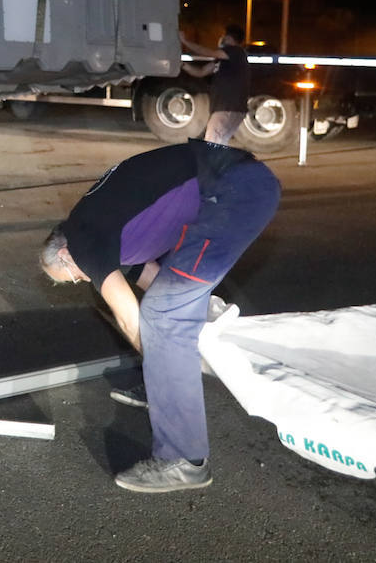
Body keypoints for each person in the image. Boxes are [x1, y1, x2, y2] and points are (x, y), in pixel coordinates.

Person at [38, 138, 280, 493]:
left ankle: (184, 461)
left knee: (162, 319)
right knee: (169, 307)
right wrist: (163, 364)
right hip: (238, 185)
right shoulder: (106, 231)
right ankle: (165, 387)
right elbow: (156, 281)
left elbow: (129, 317)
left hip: (232, 191)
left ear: (64, 255)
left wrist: (157, 354)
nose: (82, 279)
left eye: (73, 277)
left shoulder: (82, 239)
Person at [180, 24, 251, 145]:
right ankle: (221, 164)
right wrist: (182, 65)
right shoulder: (224, 59)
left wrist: (184, 41)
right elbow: (201, 72)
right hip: (229, 109)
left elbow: (208, 52)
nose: (221, 38)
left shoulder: (235, 51)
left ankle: (213, 164)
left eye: (224, 36)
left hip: (227, 108)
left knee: (212, 145)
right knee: (218, 144)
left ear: (229, 38)